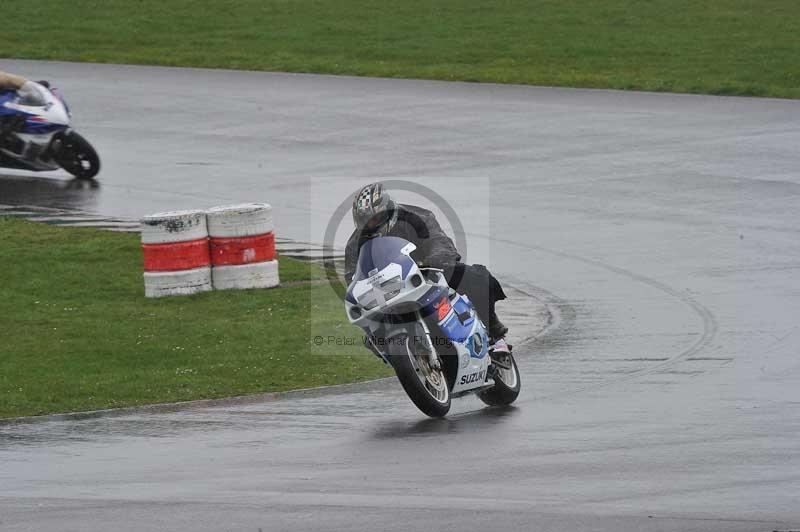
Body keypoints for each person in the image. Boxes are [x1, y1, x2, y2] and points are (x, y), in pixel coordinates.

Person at [344, 182, 510, 355]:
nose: (371, 225)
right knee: (371, 335)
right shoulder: (354, 244)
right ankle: (403, 358)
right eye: (365, 222)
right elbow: (352, 277)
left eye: (375, 219)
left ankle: (495, 335)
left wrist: (436, 260)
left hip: (428, 273)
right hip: (389, 291)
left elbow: (437, 240)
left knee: (477, 277)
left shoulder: (416, 217)